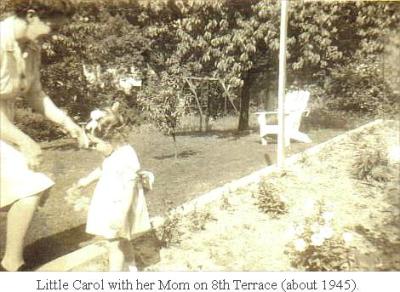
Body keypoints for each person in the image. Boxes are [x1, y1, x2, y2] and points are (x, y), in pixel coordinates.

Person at [0, 1, 88, 271]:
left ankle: (10, 264)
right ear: (31, 15)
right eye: (52, 27)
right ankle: (12, 267)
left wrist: (68, 123)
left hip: (5, 122)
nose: (53, 34)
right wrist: (25, 141)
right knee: (31, 186)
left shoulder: (31, 48)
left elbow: (35, 93)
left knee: (32, 189)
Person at [66, 103, 154, 272]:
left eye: (95, 144)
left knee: (114, 245)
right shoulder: (113, 153)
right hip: (110, 202)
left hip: (120, 206)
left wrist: (121, 215)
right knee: (122, 241)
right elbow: (103, 169)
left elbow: (129, 189)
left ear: (111, 139)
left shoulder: (127, 157)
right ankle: (132, 269)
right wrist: (84, 181)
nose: (94, 148)